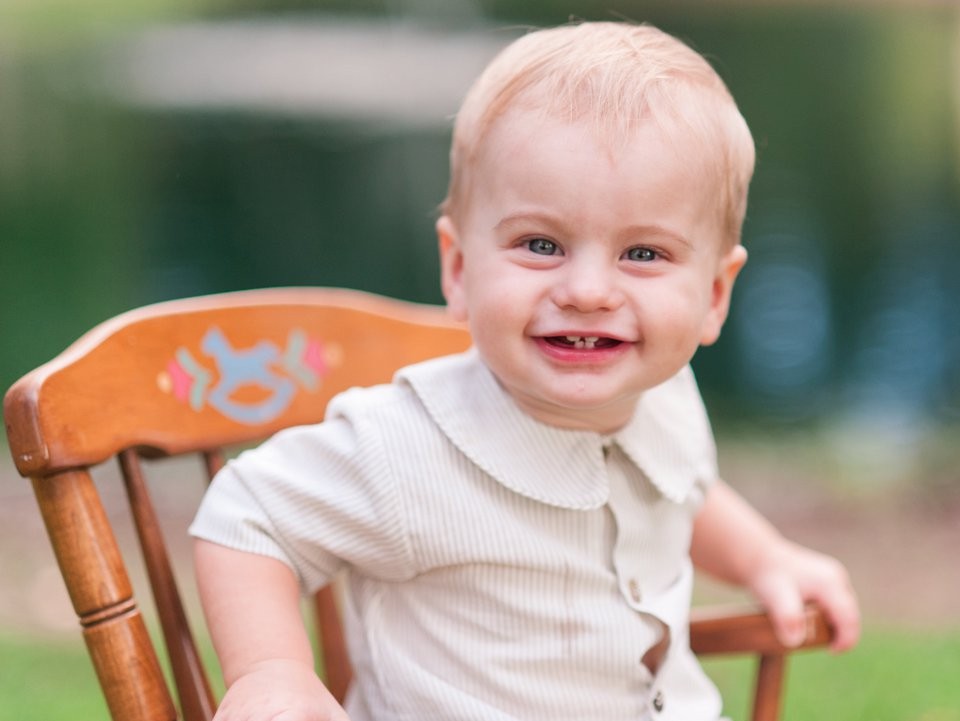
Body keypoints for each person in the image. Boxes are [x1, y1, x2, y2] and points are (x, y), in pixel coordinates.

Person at [190, 20, 860, 721]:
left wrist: (765, 558)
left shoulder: (667, 395)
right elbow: (248, 517)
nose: (588, 290)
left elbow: (683, 491)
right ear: (458, 268)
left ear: (714, 297)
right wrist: (272, 671)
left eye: (644, 254)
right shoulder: (405, 448)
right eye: (541, 244)